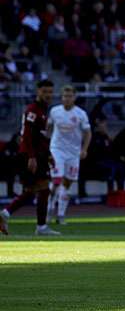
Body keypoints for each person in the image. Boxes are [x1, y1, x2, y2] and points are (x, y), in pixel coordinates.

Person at [0, 79, 61, 236]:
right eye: (44, 91)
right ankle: (38, 226)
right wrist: (32, 157)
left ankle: (7, 214)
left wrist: (48, 155)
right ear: (38, 92)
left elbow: (40, 138)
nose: (48, 95)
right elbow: (27, 136)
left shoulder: (42, 110)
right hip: (30, 156)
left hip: (38, 155)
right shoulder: (33, 110)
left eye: (50, 92)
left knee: (38, 190)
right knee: (40, 188)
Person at [46, 85, 92, 225]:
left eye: (69, 96)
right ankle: (48, 210)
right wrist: (47, 145)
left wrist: (84, 149)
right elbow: (48, 128)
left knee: (67, 183)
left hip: (73, 153)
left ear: (74, 97)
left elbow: (88, 133)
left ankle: (60, 215)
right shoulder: (54, 111)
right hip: (57, 150)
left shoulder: (80, 114)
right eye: (64, 96)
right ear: (61, 97)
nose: (67, 99)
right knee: (56, 180)